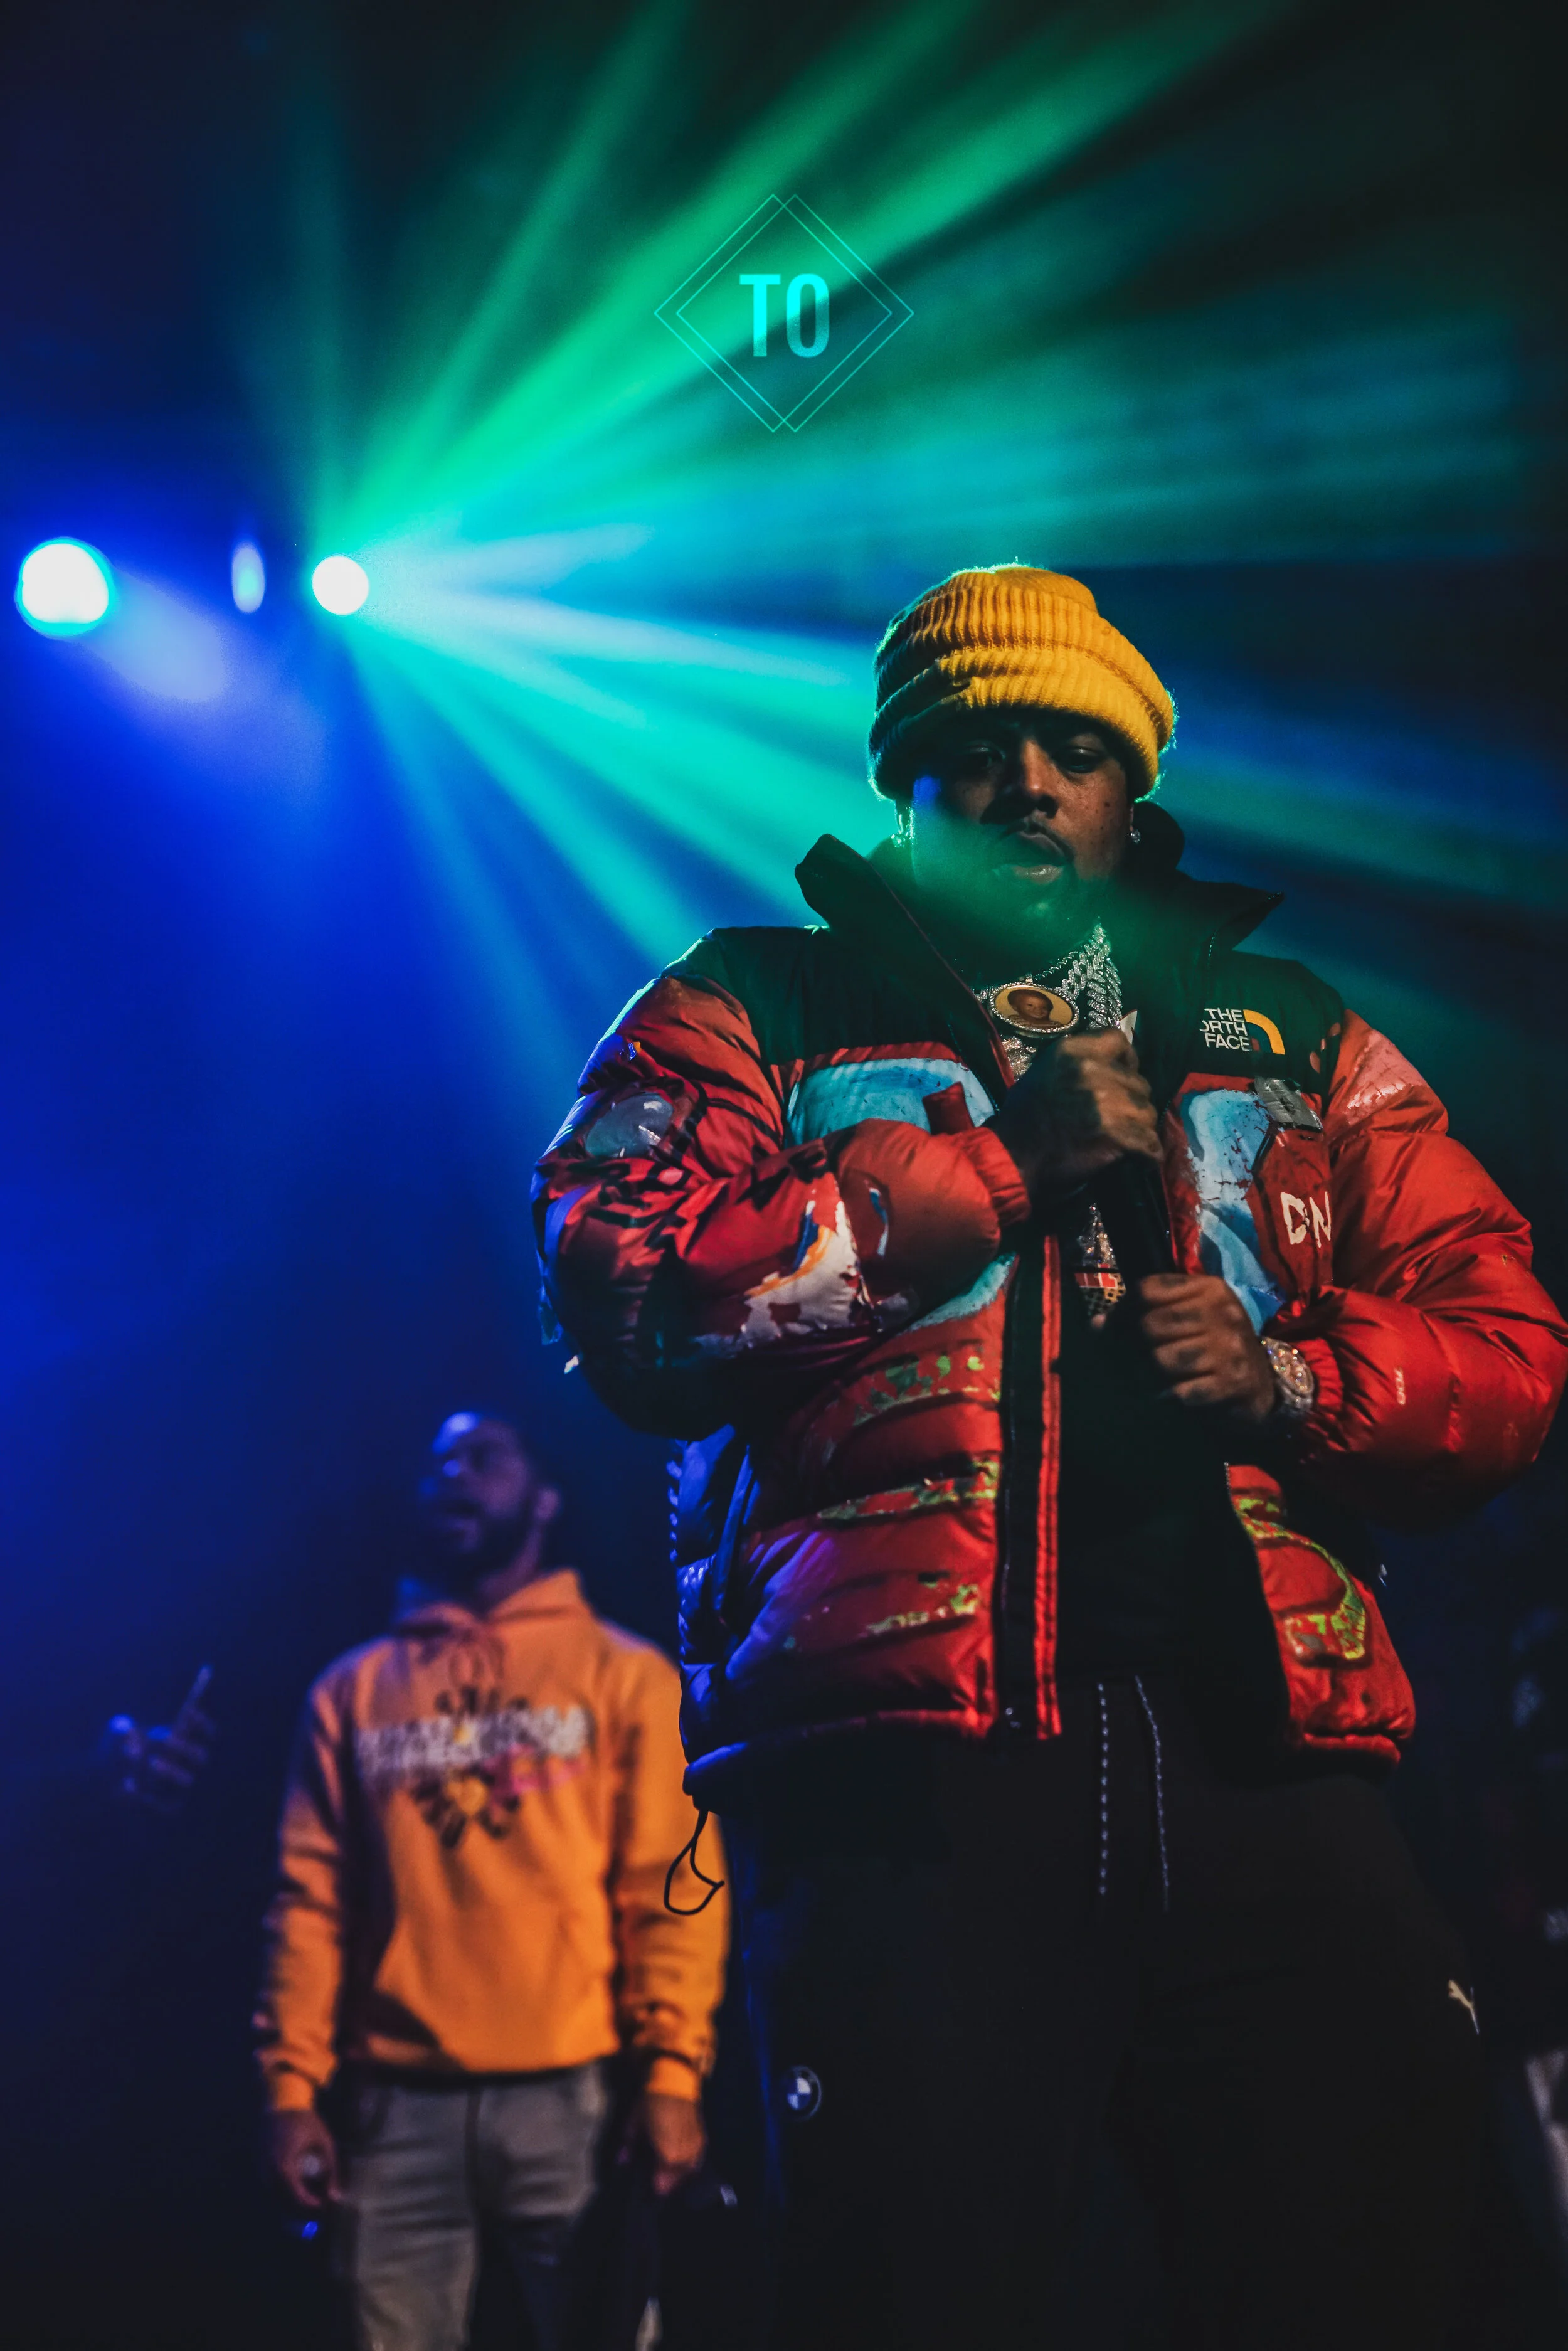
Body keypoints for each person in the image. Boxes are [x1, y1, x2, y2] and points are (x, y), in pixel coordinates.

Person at [532, 565, 1568, 2350]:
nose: (1023, 782)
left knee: (1380, 2269)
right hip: (906, 1791)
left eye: (1070, 749)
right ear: (900, 789)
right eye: (971, 750)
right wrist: (997, 1165)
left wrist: (1293, 1385)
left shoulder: (1295, 1030)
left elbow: (1508, 1341)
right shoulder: (745, 1002)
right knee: (906, 2296)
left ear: (1128, 796)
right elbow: (626, 1294)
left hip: (1265, 1756)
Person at [256, 1411, 728, 2351]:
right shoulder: (352, 1692)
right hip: (393, 2113)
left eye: (484, 1457)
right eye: (438, 1461)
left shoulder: (621, 1674)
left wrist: (674, 2071)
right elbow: (310, 1905)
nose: (454, 1475)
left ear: (545, 1498)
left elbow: (667, 1892)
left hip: (578, 2105)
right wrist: (290, 2090)